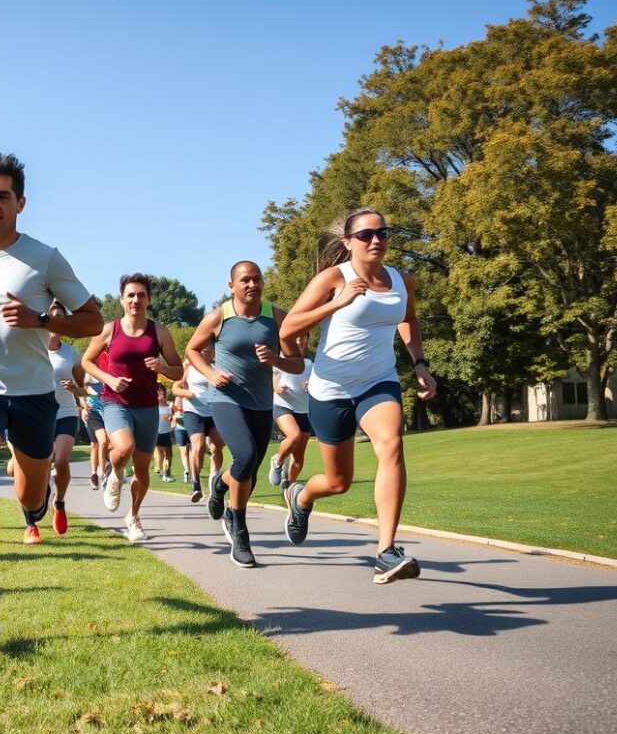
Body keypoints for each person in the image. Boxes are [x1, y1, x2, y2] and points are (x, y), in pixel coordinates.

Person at [0, 153, 102, 635]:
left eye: (3, 196)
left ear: (21, 203)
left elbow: (93, 320)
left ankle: (37, 503)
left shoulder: (44, 257)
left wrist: (43, 320)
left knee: (32, 490)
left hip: (34, 393)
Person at [280, 208, 437, 584]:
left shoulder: (402, 281)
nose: (376, 240)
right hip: (331, 389)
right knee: (338, 482)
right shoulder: (334, 278)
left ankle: (386, 551)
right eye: (365, 235)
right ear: (348, 242)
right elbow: (288, 326)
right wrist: (337, 302)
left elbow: (408, 319)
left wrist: (419, 362)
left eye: (382, 232)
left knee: (391, 443)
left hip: (378, 381)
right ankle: (301, 497)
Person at [185, 261, 302, 568]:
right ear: (232, 286)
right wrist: (210, 374)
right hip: (226, 399)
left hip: (262, 404)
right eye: (245, 280)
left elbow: (297, 363)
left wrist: (276, 358)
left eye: (257, 279)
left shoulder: (277, 316)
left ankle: (221, 486)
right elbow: (192, 350)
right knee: (245, 457)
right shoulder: (219, 317)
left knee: (246, 470)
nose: (252, 285)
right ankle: (239, 530)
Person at [82, 273, 183, 544]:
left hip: (148, 406)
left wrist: (163, 368)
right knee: (123, 448)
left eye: (141, 295)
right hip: (115, 401)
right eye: (130, 295)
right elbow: (87, 361)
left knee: (142, 469)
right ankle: (114, 474)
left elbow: (178, 370)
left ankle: (133, 516)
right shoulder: (109, 329)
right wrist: (110, 379)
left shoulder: (159, 332)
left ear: (149, 300)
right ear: (122, 299)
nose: (135, 299)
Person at [21, 301, 86, 543]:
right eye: (51, 316)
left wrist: (76, 388)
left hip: (65, 413)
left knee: (59, 459)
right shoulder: (30, 348)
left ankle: (58, 502)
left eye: (60, 317)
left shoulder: (70, 354)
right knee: (35, 468)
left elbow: (84, 390)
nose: (55, 321)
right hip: (36, 416)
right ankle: (31, 525)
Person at [174, 358, 226, 504]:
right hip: (193, 411)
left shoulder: (219, 364)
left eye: (208, 347)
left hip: (214, 411)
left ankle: (213, 479)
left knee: (217, 445)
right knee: (198, 445)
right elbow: (175, 387)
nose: (204, 350)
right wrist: (185, 393)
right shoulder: (189, 365)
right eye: (201, 348)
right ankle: (196, 485)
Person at [269, 334, 312, 491]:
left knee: (299, 459)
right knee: (294, 436)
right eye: (297, 338)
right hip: (283, 405)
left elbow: (318, 383)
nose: (300, 341)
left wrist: (312, 384)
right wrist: (276, 388)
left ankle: (289, 488)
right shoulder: (281, 359)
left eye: (303, 338)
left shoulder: (311, 363)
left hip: (304, 410)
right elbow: (274, 378)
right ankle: (278, 460)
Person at [81, 355, 111, 490]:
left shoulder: (108, 371)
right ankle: (98, 473)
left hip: (109, 411)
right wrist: (83, 407)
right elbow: (80, 391)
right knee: (100, 441)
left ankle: (105, 465)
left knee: (101, 444)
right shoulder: (87, 372)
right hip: (93, 413)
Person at [154, 384, 176, 482]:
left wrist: (171, 418)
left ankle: (166, 471)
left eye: (161, 393)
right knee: (161, 452)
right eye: (158, 393)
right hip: (157, 432)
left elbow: (172, 418)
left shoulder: (169, 406)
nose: (160, 396)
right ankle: (162, 471)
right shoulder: (153, 406)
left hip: (167, 432)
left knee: (168, 453)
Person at [171, 397, 191, 485]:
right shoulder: (178, 398)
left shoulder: (191, 394)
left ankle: (192, 471)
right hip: (180, 428)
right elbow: (175, 410)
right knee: (184, 451)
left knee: (192, 451)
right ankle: (186, 471)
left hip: (191, 427)